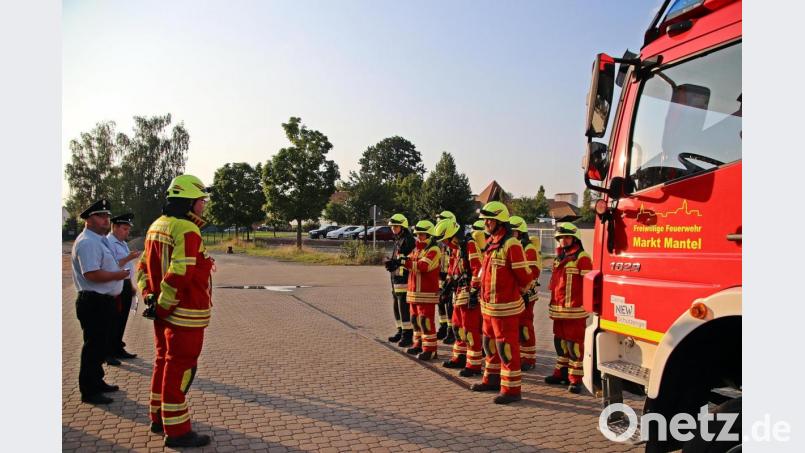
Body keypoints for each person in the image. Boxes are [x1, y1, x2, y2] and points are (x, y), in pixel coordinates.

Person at [137, 174, 215, 448]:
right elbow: (180, 272)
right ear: (189, 202)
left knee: (163, 362)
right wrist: (165, 304)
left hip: (162, 312)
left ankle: (158, 416)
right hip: (184, 314)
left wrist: (150, 299)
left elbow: (143, 267)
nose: (203, 206)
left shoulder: (156, 226)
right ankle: (178, 431)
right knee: (180, 368)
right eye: (200, 201)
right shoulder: (186, 230)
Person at [469, 202, 535, 404]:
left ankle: (511, 389)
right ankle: (491, 379)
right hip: (488, 307)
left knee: (506, 348)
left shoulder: (511, 244)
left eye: (489, 220)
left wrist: (520, 292)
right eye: (485, 220)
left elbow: (525, 276)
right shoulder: (491, 243)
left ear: (499, 221)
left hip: (505, 309)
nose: (486, 223)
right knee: (489, 345)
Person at [71, 199, 130, 405]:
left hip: (103, 301)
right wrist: (118, 276)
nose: (106, 219)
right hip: (94, 301)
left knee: (99, 345)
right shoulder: (88, 242)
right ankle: (89, 390)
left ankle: (97, 381)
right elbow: (92, 274)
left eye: (106, 215)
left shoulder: (98, 239)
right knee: (93, 347)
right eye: (100, 216)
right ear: (88, 219)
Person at [545, 222, 592, 394]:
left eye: (566, 237)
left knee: (574, 346)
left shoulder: (583, 258)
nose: (563, 241)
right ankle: (561, 373)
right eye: (560, 238)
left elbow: (589, 286)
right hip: (559, 310)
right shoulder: (559, 258)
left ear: (575, 238)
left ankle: (576, 379)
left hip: (574, 311)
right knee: (560, 343)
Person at [434, 218, 483, 376]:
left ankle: (474, 365)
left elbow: (478, 268)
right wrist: (446, 287)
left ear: (453, 236)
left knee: (470, 329)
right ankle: (460, 357)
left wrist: (475, 291)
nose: (445, 244)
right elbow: (452, 269)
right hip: (458, 293)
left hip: (469, 293)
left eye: (446, 240)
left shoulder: (469, 244)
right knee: (457, 327)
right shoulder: (455, 248)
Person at [398, 220, 442, 360]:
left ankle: (430, 349)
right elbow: (409, 263)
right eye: (417, 235)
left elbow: (423, 266)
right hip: (413, 292)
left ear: (429, 235)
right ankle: (418, 344)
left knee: (425, 321)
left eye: (422, 234)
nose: (419, 237)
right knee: (415, 320)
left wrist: (405, 262)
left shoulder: (434, 250)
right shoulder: (417, 249)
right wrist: (397, 263)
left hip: (426, 293)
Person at [106, 213, 141, 362]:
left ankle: (118, 347)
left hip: (125, 283)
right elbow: (112, 265)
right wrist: (129, 257)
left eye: (128, 229)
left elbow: (127, 267)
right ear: (115, 227)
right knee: (112, 319)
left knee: (122, 318)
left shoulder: (122, 243)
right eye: (124, 229)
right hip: (115, 285)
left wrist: (131, 285)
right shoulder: (108, 243)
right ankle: (108, 352)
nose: (127, 232)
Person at [508, 216, 542, 372]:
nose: (510, 234)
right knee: (517, 327)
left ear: (520, 232)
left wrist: (522, 290)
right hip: (517, 293)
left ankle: (529, 358)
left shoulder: (528, 248)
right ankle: (522, 356)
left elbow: (533, 272)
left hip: (527, 293)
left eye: (513, 231)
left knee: (525, 326)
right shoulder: (514, 246)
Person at [384, 213, 416, 347]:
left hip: (403, 278)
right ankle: (400, 330)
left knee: (403, 306)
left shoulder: (408, 240)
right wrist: (390, 262)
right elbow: (398, 257)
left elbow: (409, 259)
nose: (393, 229)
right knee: (396, 306)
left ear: (403, 226)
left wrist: (396, 263)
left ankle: (407, 335)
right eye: (392, 227)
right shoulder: (398, 238)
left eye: (395, 226)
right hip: (395, 277)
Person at [435, 210, 456, 344]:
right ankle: (443, 327)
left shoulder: (453, 242)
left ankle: (451, 331)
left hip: (450, 278)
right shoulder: (441, 242)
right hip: (441, 276)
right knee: (441, 303)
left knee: (450, 305)